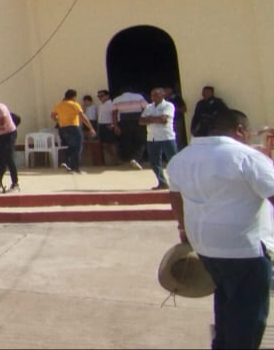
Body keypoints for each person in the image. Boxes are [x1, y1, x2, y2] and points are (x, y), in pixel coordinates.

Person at [166, 109, 273, 350]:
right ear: (239, 130)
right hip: (245, 250)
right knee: (247, 319)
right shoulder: (246, 157)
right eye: (248, 132)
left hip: (206, 248)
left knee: (226, 308)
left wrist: (183, 227)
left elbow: (174, 195)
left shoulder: (182, 157)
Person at [51, 90, 97, 174]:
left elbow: (53, 116)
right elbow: (83, 117)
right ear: (73, 97)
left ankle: (68, 163)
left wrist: (60, 120)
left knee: (70, 147)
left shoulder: (59, 105)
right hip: (73, 127)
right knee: (77, 148)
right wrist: (91, 128)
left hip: (62, 129)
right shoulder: (74, 104)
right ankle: (75, 168)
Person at [140, 88, 177, 191]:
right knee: (155, 162)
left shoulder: (168, 106)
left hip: (166, 136)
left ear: (162, 95)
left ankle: (178, 182)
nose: (153, 97)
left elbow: (163, 120)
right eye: (152, 95)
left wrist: (150, 119)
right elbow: (141, 121)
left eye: (156, 95)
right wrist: (155, 118)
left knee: (173, 160)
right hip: (152, 137)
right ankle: (162, 182)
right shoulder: (148, 107)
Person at [112, 88, 149, 168]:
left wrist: (116, 126)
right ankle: (137, 158)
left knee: (127, 140)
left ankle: (128, 158)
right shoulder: (139, 97)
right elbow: (146, 108)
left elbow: (114, 114)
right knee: (141, 140)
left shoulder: (117, 99)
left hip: (124, 121)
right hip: (138, 120)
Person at [95, 90, 119, 166]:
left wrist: (113, 125)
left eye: (102, 96)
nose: (100, 98)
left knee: (112, 143)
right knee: (104, 144)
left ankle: (116, 160)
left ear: (107, 96)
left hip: (109, 125)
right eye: (99, 96)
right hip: (101, 126)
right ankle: (109, 160)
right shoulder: (100, 105)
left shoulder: (111, 104)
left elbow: (116, 115)